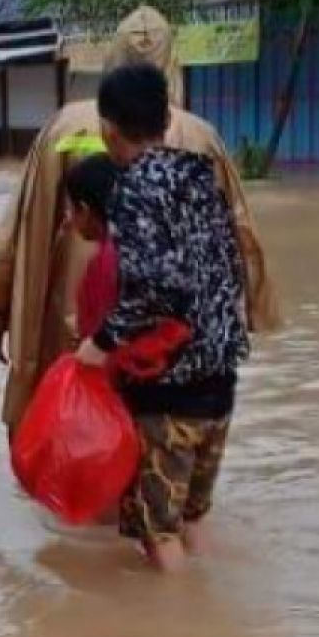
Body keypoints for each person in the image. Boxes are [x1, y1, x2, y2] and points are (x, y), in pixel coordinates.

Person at [0, 5, 280, 438]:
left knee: (77, 451)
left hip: (75, 327)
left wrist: (2, 303)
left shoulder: (62, 128)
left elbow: (24, 226)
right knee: (158, 461)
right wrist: (251, 311)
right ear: (172, 64)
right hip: (170, 352)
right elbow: (237, 236)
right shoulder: (201, 138)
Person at [75, 62, 249, 573]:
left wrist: (98, 345)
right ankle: (207, 613)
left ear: (107, 128)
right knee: (192, 519)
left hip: (170, 391)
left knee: (158, 534)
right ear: (168, 116)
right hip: (221, 380)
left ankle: (180, 635)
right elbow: (229, 268)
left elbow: (154, 287)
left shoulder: (133, 188)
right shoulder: (201, 177)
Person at [62, 154, 119, 340]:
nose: (67, 221)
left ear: (85, 211)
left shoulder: (105, 262)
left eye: (70, 209)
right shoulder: (135, 246)